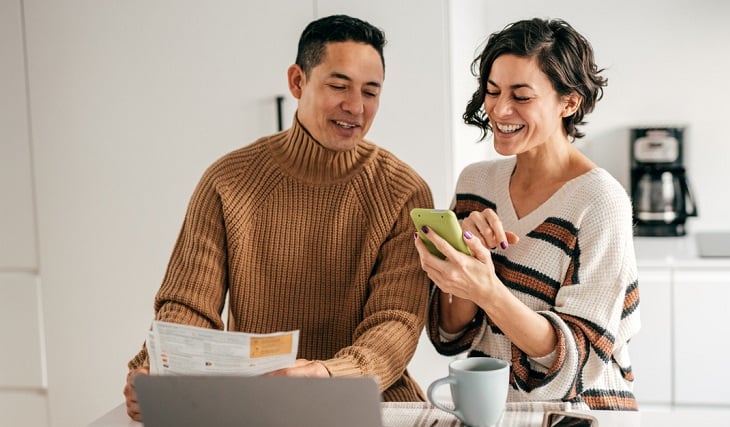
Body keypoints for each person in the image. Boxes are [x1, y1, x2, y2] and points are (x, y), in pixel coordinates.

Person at [123, 14, 434, 421]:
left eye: (370, 92)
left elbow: (395, 324)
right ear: (297, 81)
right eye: (338, 85)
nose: (356, 107)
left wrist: (327, 374)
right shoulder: (227, 181)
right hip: (258, 405)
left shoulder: (403, 192)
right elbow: (188, 306)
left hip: (368, 402)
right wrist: (156, 367)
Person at [414, 18, 640, 410]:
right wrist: (465, 260)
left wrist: (489, 290)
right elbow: (449, 335)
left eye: (521, 96)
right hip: (491, 410)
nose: (499, 109)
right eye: (492, 91)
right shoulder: (476, 182)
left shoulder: (601, 201)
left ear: (568, 102)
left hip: (581, 413)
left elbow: (575, 364)